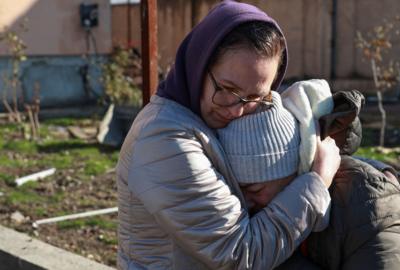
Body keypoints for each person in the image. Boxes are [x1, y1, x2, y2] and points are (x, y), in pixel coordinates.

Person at [116, 2, 341, 269]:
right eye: (227, 88)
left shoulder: (206, 117)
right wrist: (316, 182)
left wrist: (382, 182)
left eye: (254, 97)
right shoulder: (164, 139)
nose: (237, 110)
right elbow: (239, 253)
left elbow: (298, 143)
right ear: (199, 63)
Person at [218, 82, 400, 270]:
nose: (243, 201)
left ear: (295, 171)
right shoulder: (256, 207)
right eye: (238, 188)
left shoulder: (369, 205)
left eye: (254, 189)